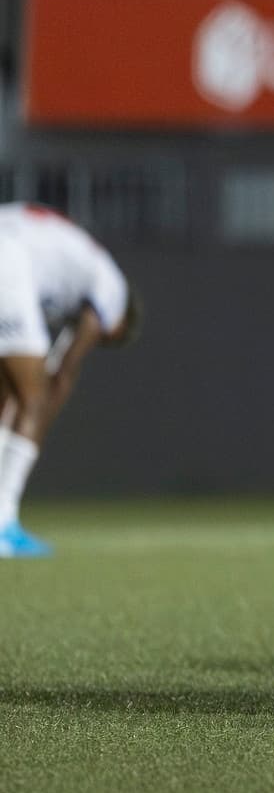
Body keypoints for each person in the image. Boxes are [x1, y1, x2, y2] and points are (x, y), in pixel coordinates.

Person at [0, 205, 140, 557]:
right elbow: (62, 370)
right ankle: (3, 523)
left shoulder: (74, 270)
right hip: (6, 255)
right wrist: (46, 408)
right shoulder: (115, 292)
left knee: (7, 394)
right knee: (32, 397)